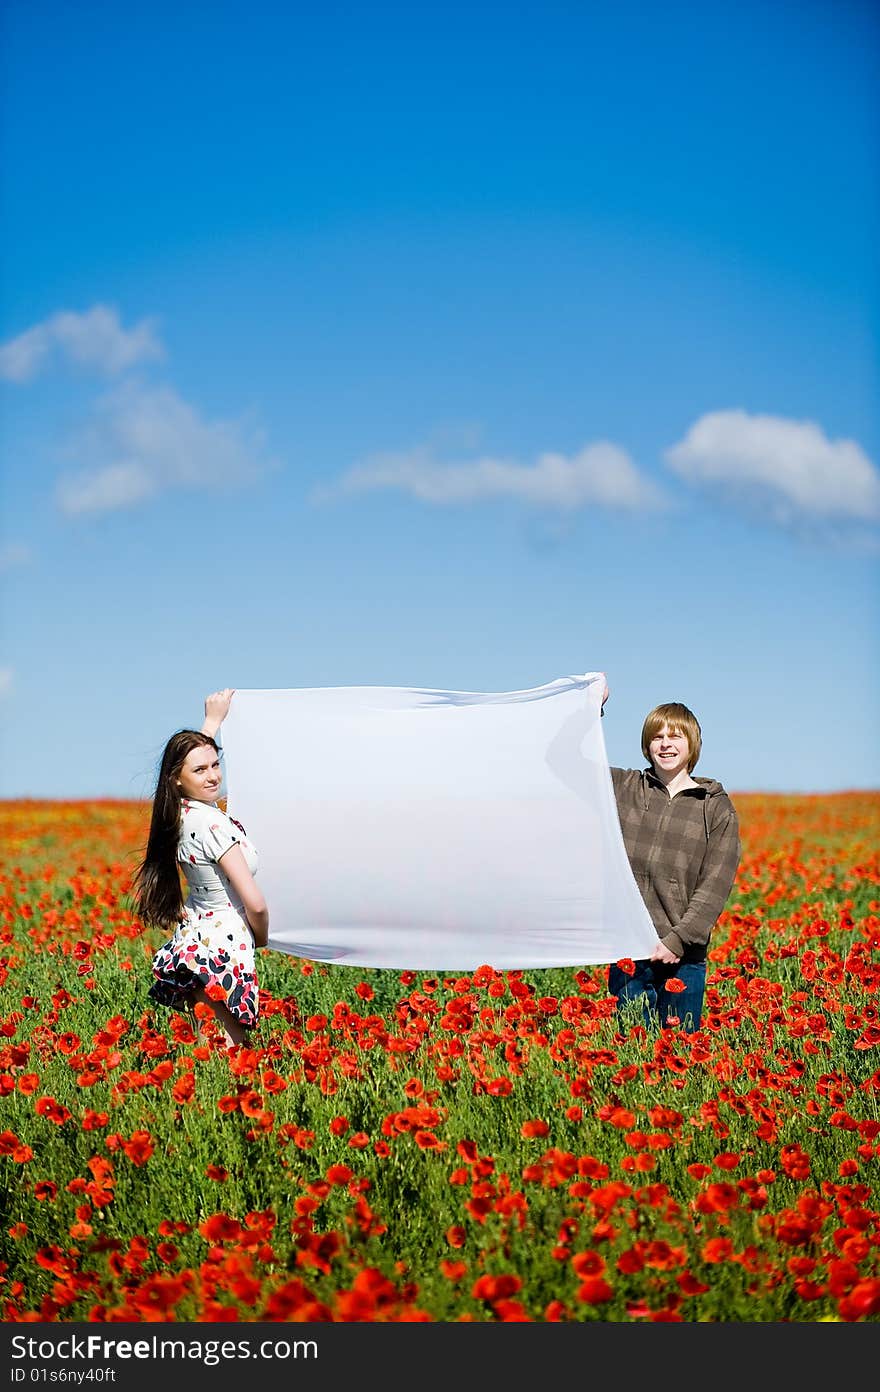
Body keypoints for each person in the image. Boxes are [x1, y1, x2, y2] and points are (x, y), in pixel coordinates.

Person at [600, 681, 741, 1032]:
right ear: (647, 745)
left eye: (675, 736)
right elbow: (573, 764)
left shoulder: (714, 806)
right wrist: (592, 707)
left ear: (691, 744)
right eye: (657, 736)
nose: (666, 744)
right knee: (633, 1057)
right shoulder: (625, 787)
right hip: (629, 950)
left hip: (684, 958)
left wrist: (677, 940)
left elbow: (716, 883)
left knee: (680, 1062)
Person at [132, 689, 268, 1047]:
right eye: (201, 770)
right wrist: (263, 937)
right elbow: (254, 903)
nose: (212, 777)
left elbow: (190, 759)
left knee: (209, 1048)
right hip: (225, 943)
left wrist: (213, 721)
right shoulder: (213, 826)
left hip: (197, 937)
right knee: (232, 1052)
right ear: (178, 778)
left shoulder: (176, 816)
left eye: (215, 765)